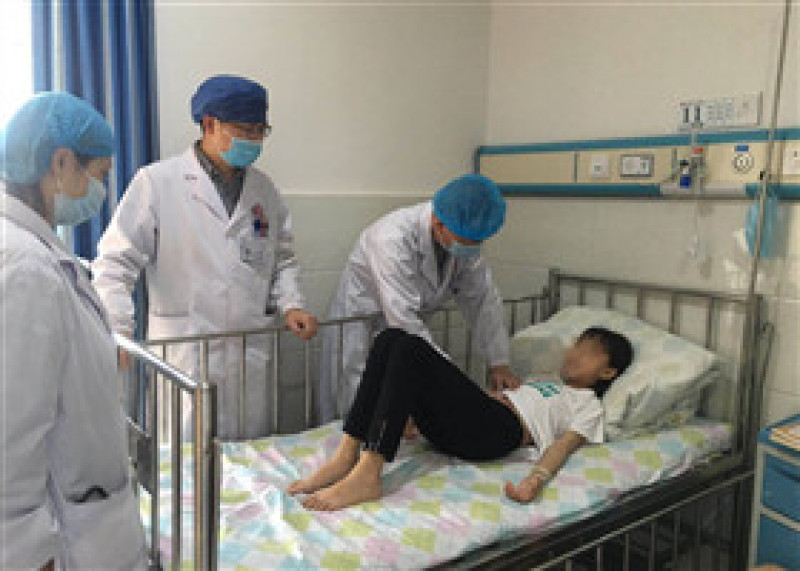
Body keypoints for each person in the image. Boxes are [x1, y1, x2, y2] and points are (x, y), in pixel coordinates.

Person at [93, 75, 317, 439]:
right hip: (186, 352)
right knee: (185, 459)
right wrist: (117, 330)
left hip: (248, 358)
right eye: (245, 129)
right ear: (210, 124)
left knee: (247, 460)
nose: (254, 140)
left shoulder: (264, 191)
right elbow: (114, 263)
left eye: (260, 130)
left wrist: (292, 304)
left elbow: (282, 258)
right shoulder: (157, 183)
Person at [0, 92, 146, 568]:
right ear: (61, 163)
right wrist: (27, 555)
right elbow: (10, 432)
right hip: (64, 538)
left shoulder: (36, 252)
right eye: (99, 174)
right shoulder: (25, 269)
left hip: (83, 512)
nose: (99, 191)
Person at [290, 326, 633, 511]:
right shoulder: (544, 381)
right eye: (577, 346)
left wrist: (535, 480)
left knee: (409, 348)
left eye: (589, 353)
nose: (575, 354)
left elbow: (564, 445)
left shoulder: (588, 404)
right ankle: (347, 454)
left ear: (608, 372)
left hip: (495, 433)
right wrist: (402, 410)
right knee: (389, 338)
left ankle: (368, 474)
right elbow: (481, 400)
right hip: (473, 421)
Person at [319, 174, 519, 423]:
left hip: (403, 334)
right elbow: (402, 318)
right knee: (354, 406)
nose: (471, 249)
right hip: (359, 330)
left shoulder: (461, 241)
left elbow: (483, 301)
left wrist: (499, 362)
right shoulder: (391, 238)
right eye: (465, 242)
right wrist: (456, 384)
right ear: (438, 224)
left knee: (398, 414)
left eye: (477, 242)